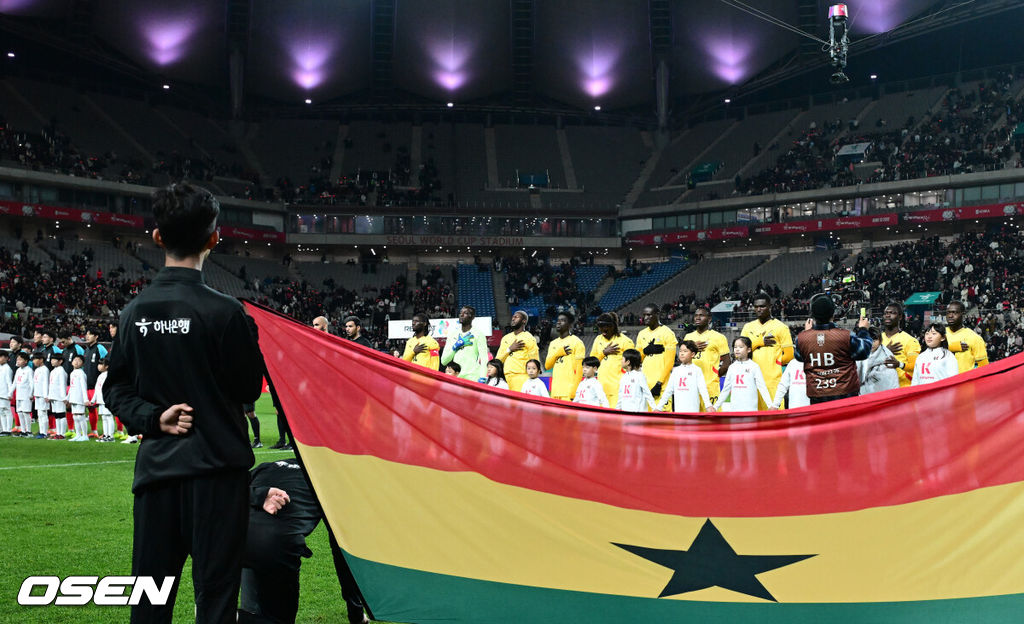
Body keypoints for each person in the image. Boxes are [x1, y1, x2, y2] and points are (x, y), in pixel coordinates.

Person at [104, 182, 265, 622]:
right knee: (215, 601)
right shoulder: (227, 312)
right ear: (215, 238)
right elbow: (249, 388)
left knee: (150, 602)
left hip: (158, 476)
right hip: (217, 476)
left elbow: (114, 389)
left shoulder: (134, 312)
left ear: (157, 238)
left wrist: (154, 418)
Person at [794, 295, 872, 404]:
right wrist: (863, 329)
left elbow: (800, 357)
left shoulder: (801, 339)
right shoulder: (846, 336)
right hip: (846, 396)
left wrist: (808, 335)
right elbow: (865, 351)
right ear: (833, 313)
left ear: (812, 315)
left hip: (818, 397)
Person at [741, 295, 793, 409]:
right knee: (752, 418)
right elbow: (740, 353)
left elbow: (789, 355)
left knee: (775, 418)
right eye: (756, 307)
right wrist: (759, 341)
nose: (759, 309)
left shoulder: (781, 327)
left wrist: (774, 363)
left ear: (770, 306)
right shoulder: (747, 327)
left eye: (762, 306)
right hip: (750, 380)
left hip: (772, 381)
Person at [684, 306, 731, 408]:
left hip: (710, 386)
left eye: (701, 315)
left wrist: (715, 375)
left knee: (713, 418)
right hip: (691, 385)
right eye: (696, 315)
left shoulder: (719, 337)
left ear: (709, 319)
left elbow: (727, 362)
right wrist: (692, 347)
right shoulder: (688, 337)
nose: (697, 318)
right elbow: (682, 360)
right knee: (692, 419)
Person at [713, 337, 773, 412]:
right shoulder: (732, 367)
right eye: (735, 347)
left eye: (741, 347)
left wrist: (770, 405)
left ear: (749, 350)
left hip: (750, 410)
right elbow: (726, 389)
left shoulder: (754, 367)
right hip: (735, 411)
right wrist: (715, 407)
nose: (737, 349)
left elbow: (762, 387)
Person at [590, 312, 634, 408]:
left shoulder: (625, 341)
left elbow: (632, 367)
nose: (602, 330)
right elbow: (591, 363)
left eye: (605, 326)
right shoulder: (598, 339)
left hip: (618, 389)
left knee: (616, 418)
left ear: (613, 326)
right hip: (601, 388)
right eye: (600, 326)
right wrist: (603, 353)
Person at [635, 304, 677, 400]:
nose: (646, 318)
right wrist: (645, 351)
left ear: (657, 314)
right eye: (644, 315)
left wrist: (659, 383)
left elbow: (670, 363)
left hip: (661, 386)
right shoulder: (641, 334)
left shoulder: (667, 333)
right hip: (645, 384)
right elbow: (637, 360)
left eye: (649, 315)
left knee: (661, 414)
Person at [656, 341, 712, 413]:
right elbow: (668, 391)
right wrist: (659, 407)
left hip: (693, 411)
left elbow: (703, 389)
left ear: (693, 354)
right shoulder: (676, 371)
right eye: (680, 351)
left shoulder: (697, 370)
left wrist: (708, 405)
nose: (682, 353)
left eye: (685, 351)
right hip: (679, 411)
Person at [440, 305, 488, 382]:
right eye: (460, 313)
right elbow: (444, 361)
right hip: (456, 377)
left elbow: (484, 358)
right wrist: (455, 347)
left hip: (473, 377)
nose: (461, 315)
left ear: (472, 317)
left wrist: (483, 376)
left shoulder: (478, 334)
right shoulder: (452, 335)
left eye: (465, 313)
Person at [545, 311, 585, 401]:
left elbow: (579, 370)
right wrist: (558, 353)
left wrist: (574, 391)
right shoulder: (553, 343)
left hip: (568, 391)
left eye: (563, 320)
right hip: (555, 391)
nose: (558, 322)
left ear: (570, 325)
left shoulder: (577, 342)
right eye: (558, 320)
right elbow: (547, 366)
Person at [495, 310, 539, 392]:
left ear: (524, 321)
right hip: (505, 378)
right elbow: (498, 359)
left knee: (519, 404)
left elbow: (534, 360)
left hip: (521, 377)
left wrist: (534, 379)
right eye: (513, 317)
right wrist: (509, 349)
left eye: (516, 317)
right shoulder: (505, 338)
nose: (513, 319)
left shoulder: (529, 338)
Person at [880, 302, 920, 387]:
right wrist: (885, 351)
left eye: (892, 313)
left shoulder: (910, 340)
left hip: (903, 388)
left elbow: (914, 366)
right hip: (881, 388)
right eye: (886, 313)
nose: (888, 315)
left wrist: (899, 365)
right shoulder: (877, 339)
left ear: (900, 317)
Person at [944, 301, 989, 373]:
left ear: (963, 314)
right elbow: (927, 353)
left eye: (954, 312)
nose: (950, 316)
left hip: (963, 383)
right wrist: (951, 347)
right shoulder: (938, 334)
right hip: (941, 382)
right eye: (948, 312)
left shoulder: (975, 338)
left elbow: (984, 367)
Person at [858, 327, 900, 395]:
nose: (872, 343)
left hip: (882, 397)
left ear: (880, 341)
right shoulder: (858, 357)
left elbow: (892, 381)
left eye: (875, 340)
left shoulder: (888, 359)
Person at [93, 358, 117, 442]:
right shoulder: (100, 375)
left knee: (109, 417)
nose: (98, 366)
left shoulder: (108, 375)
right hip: (100, 400)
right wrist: (93, 399)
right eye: (98, 364)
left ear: (107, 366)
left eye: (101, 364)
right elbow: (97, 388)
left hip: (106, 400)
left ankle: (111, 436)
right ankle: (106, 435)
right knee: (104, 417)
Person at [68, 352, 89, 442]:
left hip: (80, 397)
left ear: (82, 363)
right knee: (75, 417)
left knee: (81, 416)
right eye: (75, 360)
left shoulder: (81, 373)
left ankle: (85, 435)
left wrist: (85, 399)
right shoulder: (72, 373)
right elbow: (71, 387)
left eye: (79, 361)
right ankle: (78, 434)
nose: (76, 362)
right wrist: (67, 397)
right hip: (74, 397)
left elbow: (84, 387)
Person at [47, 352, 68, 439]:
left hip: (60, 397)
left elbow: (63, 384)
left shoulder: (61, 371)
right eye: (51, 359)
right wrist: (49, 395)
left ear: (60, 361)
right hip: (53, 396)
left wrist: (63, 397)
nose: (52, 361)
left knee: (61, 415)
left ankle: (62, 434)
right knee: (56, 415)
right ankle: (58, 433)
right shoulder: (53, 371)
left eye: (54, 359)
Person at [13, 352, 33, 436]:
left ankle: (28, 431)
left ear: (25, 361)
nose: (18, 361)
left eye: (20, 359)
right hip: (19, 394)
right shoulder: (18, 370)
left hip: (26, 395)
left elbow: (32, 383)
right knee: (20, 412)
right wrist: (10, 393)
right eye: (17, 359)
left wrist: (31, 393)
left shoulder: (29, 370)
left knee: (26, 412)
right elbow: (14, 383)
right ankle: (23, 430)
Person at [31, 351, 49, 438]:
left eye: (35, 359)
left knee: (43, 413)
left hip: (42, 395)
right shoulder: (37, 370)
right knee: (39, 414)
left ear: (41, 360)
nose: (33, 361)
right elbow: (35, 383)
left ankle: (44, 432)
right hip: (37, 394)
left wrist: (46, 395)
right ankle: (41, 431)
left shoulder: (45, 370)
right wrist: (33, 394)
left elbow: (46, 382)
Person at [0, 350, 12, 436]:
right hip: (1, 392)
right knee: (1, 412)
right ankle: (3, 429)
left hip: (5, 393)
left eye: (1, 357)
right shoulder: (1, 367)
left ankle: (8, 429)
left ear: (6, 358)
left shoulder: (7, 368)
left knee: (7, 411)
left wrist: (10, 393)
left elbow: (9, 382)